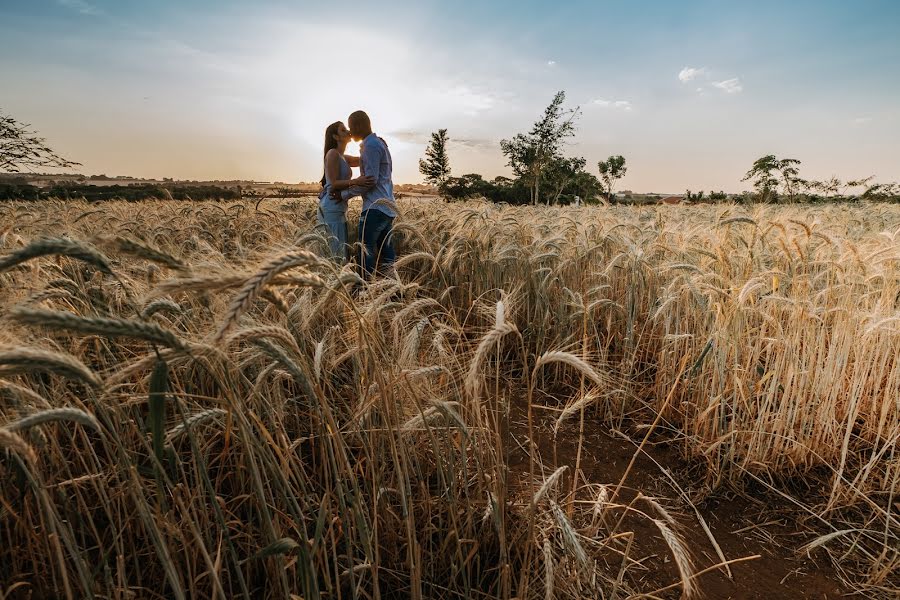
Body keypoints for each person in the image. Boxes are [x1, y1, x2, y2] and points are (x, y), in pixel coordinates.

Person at [333, 110, 397, 277]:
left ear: (359, 126)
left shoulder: (370, 146)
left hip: (374, 209)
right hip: (387, 208)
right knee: (387, 254)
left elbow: (369, 181)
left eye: (351, 127)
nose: (350, 131)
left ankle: (364, 292)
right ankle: (394, 292)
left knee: (365, 253)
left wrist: (344, 194)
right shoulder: (377, 144)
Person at [318, 121, 374, 262]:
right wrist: (356, 181)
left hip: (339, 207)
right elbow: (333, 183)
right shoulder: (332, 154)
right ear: (336, 137)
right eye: (343, 130)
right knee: (334, 252)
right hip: (331, 207)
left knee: (340, 250)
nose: (348, 131)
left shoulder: (343, 156)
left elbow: (365, 159)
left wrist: (375, 143)